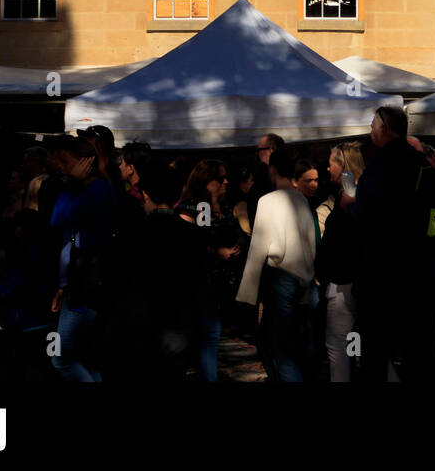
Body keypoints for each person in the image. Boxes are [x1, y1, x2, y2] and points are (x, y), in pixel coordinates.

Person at [351, 105, 435, 382]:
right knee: (421, 355)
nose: (369, 130)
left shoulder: (378, 168)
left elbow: (362, 221)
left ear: (383, 129)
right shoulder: (423, 167)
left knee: (374, 356)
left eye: (371, 125)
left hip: (381, 277)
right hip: (419, 275)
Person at [116, 164, 206, 380]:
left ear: (145, 194)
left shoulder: (132, 234)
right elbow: (198, 280)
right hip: (178, 323)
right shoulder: (191, 233)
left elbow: (122, 280)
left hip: (140, 325)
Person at [237, 148, 316, 382]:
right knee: (296, 343)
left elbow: (258, 247)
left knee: (280, 346)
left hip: (279, 275)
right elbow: (311, 242)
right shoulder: (301, 199)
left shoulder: (267, 201)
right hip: (302, 277)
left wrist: (247, 294)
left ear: (272, 170)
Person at [49, 135, 118, 382]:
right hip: (80, 283)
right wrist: (62, 285)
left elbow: (57, 219)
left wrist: (70, 184)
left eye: (66, 161)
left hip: (86, 287)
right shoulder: (90, 188)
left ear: (85, 162)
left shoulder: (95, 190)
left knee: (62, 357)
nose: (62, 167)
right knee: (87, 358)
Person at [178, 160, 244, 381]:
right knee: (209, 335)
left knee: (208, 335)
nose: (226, 181)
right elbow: (200, 239)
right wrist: (218, 252)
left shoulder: (220, 206)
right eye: (220, 178)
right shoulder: (201, 207)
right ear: (206, 182)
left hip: (217, 280)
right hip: (203, 280)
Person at [315, 142, 364, 381]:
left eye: (331, 163)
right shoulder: (361, 191)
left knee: (339, 348)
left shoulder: (350, 197)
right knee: (356, 347)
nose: (327, 168)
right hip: (352, 282)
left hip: (345, 283)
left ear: (342, 164)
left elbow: (345, 240)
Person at [247, 133, 285, 229]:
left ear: (271, 150)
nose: (257, 154)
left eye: (260, 150)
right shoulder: (291, 175)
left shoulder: (260, 180)